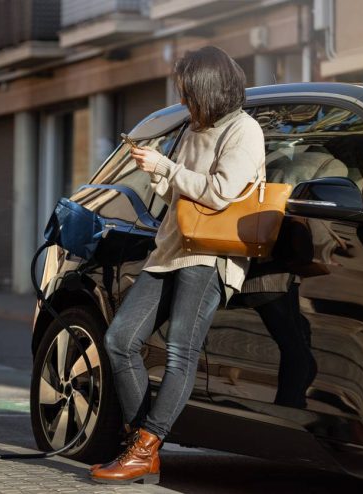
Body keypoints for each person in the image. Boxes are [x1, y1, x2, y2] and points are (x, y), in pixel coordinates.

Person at [90, 45, 265, 485]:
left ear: (209, 88)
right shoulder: (192, 128)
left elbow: (222, 192)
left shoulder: (244, 130)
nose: (185, 100)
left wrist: (168, 166)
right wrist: (156, 172)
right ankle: (142, 442)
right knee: (119, 340)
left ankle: (145, 447)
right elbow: (178, 199)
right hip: (169, 250)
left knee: (179, 352)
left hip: (212, 254)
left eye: (189, 92)